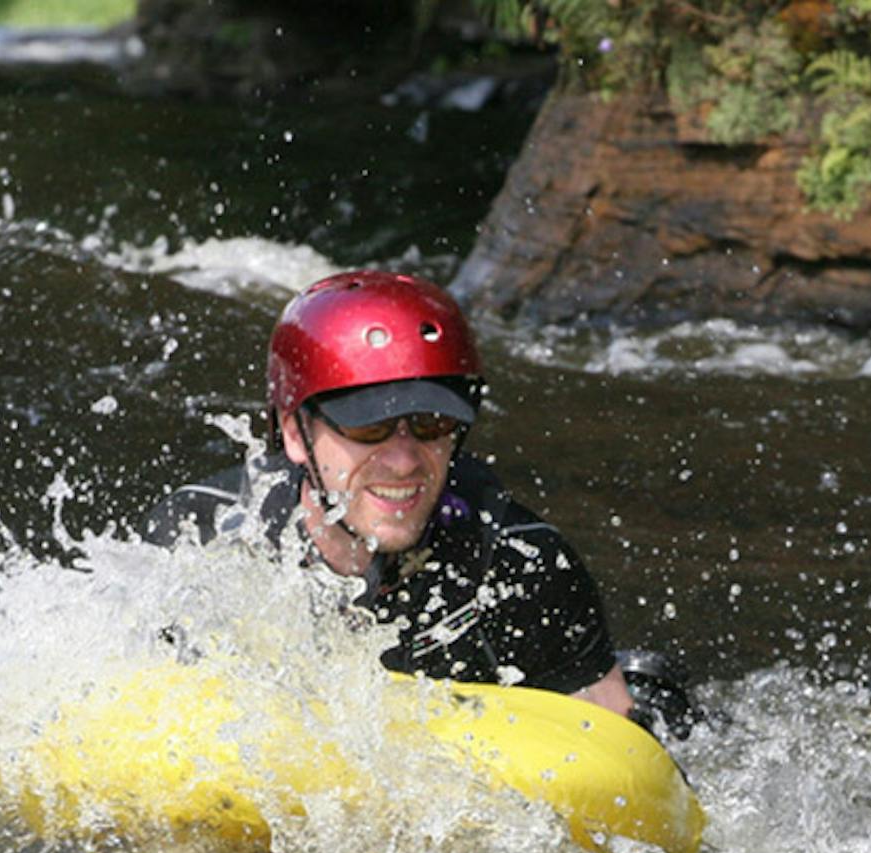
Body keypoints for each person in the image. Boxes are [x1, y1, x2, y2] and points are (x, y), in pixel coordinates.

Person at [143, 269, 694, 739]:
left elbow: (628, 776)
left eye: (432, 424)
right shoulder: (207, 535)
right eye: (371, 427)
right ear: (294, 433)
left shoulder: (523, 566)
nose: (405, 461)